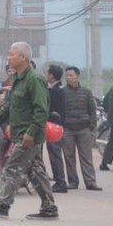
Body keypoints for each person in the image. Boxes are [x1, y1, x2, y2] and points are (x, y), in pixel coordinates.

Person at [0, 42, 58, 220]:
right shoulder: (17, 79)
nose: (9, 58)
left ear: (23, 57)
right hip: (19, 133)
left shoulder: (35, 80)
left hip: (28, 135)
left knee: (11, 168)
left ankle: (3, 206)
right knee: (36, 171)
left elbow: (41, 110)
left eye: (12, 54)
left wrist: (31, 133)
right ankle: (49, 208)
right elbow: (10, 105)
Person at [61, 66, 101, 190]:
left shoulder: (86, 92)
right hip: (67, 129)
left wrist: (92, 129)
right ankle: (73, 182)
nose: (68, 78)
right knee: (69, 157)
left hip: (84, 129)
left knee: (86, 157)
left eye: (71, 75)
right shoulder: (62, 92)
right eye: (66, 75)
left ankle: (90, 182)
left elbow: (92, 111)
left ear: (78, 76)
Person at [45, 64, 68, 193]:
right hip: (54, 126)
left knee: (55, 154)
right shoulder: (56, 89)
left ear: (52, 75)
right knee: (54, 153)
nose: (46, 75)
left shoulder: (57, 91)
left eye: (47, 73)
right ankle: (59, 180)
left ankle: (60, 181)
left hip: (54, 126)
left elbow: (55, 110)